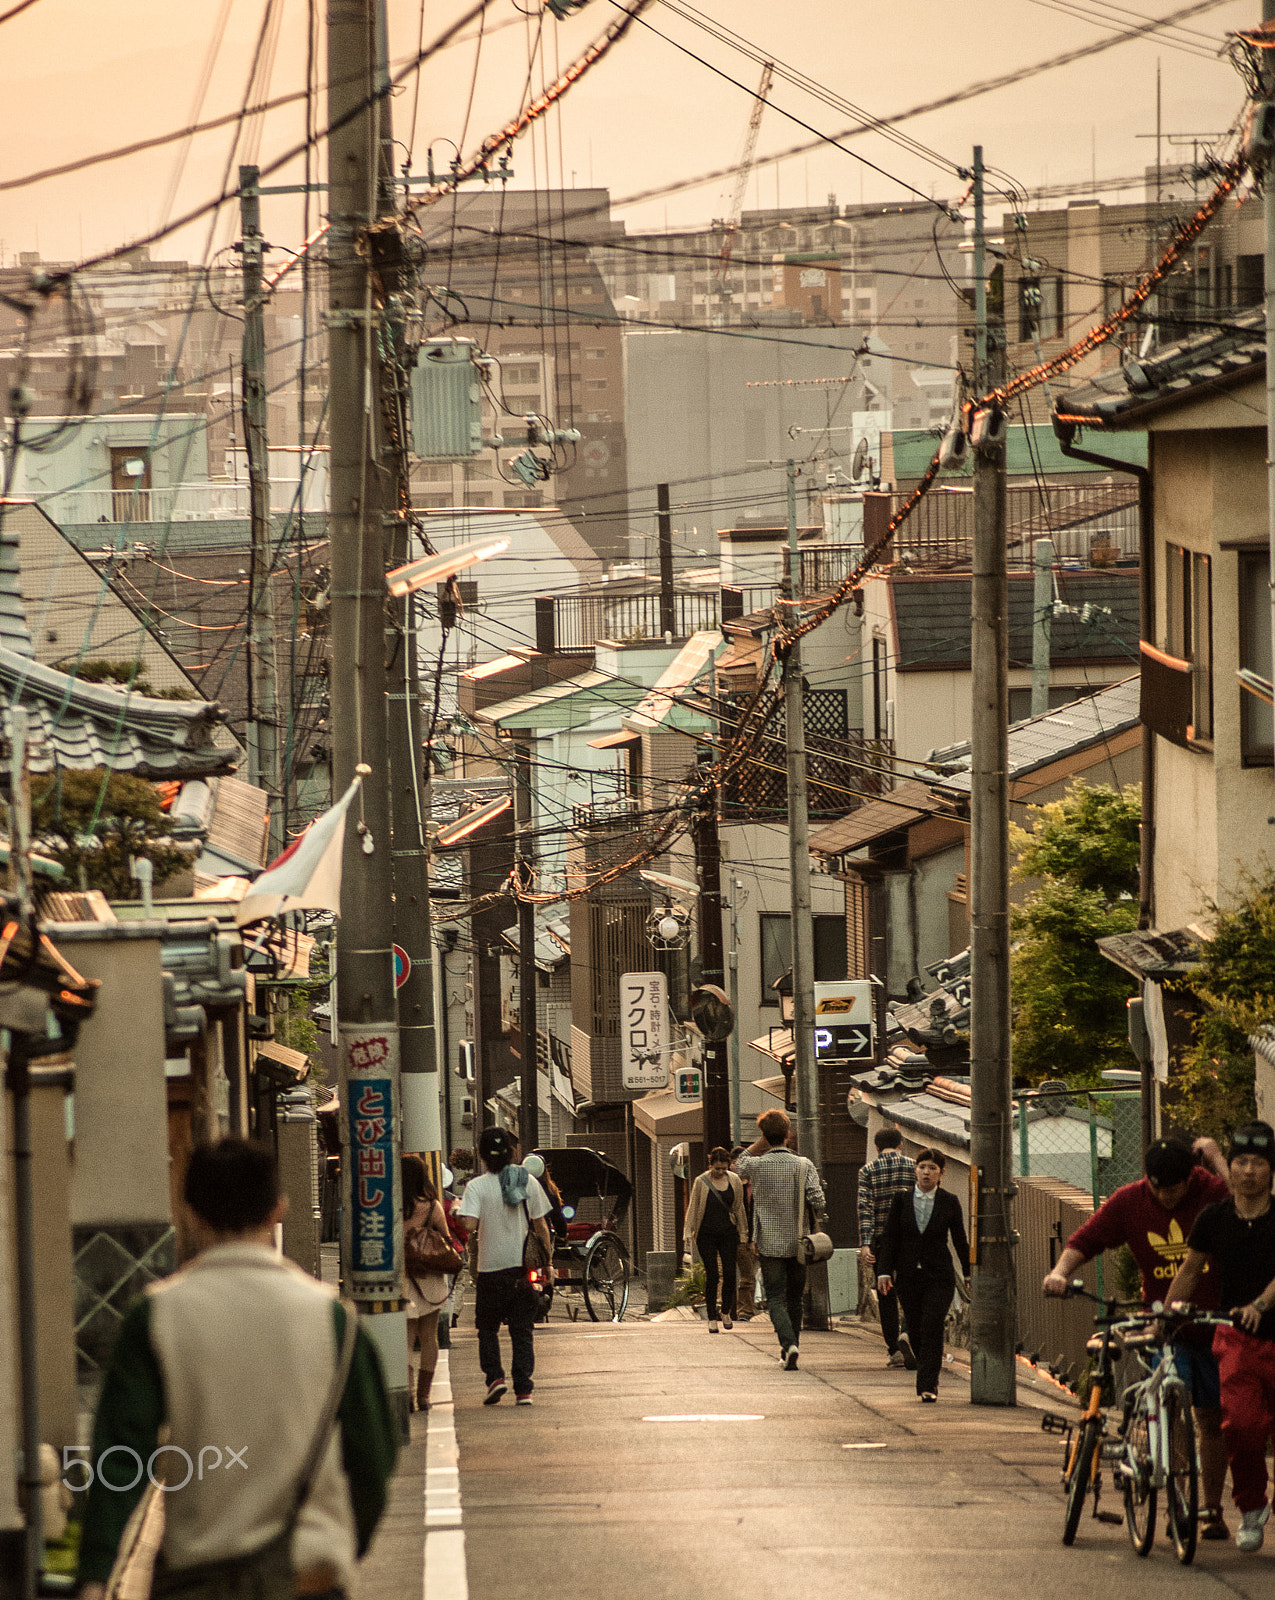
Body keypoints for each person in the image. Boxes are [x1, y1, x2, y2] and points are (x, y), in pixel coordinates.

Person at [77, 1139, 397, 1600]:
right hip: (307, 1574)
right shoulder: (334, 1319)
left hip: (197, 1574)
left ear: (189, 1211)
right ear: (278, 1209)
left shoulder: (157, 1315)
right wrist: (347, 1545)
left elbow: (121, 1455)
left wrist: (95, 1572)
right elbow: (372, 1456)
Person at [1042, 1134, 1231, 1539]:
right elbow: (1086, 1239)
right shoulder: (1130, 1200)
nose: (1164, 1196)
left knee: (1213, 1420)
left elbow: (1250, 1209)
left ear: (1191, 1177)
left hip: (1213, 1322)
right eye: (1156, 1186)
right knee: (1173, 1401)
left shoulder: (1213, 1192)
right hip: (1162, 1324)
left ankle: (1212, 1510)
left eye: (1174, 1187)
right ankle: (1178, 1502)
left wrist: (1217, 1158)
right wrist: (1060, 1272)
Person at [1166, 1121, 1275, 1554]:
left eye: (1259, 1163)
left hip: (1270, 1327)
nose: (1249, 1171)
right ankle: (1251, 1508)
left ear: (1271, 1171)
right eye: (1241, 1162)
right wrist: (1167, 1313)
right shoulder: (1213, 1219)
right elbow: (1190, 1270)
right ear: (1231, 1167)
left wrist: (1261, 1305)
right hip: (1236, 1340)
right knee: (1241, 1427)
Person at [457, 1126, 553, 1406]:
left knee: (488, 1329)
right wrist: (547, 1263)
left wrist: (458, 1212)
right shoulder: (527, 1182)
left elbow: (470, 1225)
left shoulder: (476, 1187)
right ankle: (524, 1389)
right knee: (522, 1330)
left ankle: (495, 1379)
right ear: (511, 1152)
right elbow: (541, 1226)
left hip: (490, 1270)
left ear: (482, 1155)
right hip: (522, 1270)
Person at [875, 1147, 970, 1403]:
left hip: (939, 1274)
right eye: (922, 1167)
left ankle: (928, 1384)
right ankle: (923, 1363)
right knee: (915, 1328)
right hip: (907, 1276)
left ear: (941, 1173)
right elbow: (890, 1238)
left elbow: (960, 1239)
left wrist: (969, 1273)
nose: (926, 1172)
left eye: (932, 1168)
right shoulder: (901, 1200)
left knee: (932, 1325)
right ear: (915, 1170)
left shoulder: (949, 1201)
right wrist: (884, 1270)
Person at [735, 1109, 826, 1370]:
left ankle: (788, 1346)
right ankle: (792, 1346)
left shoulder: (756, 1165)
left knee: (775, 1297)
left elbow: (739, 1162)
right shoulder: (804, 1165)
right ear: (788, 1134)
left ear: (764, 1135)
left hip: (769, 1242)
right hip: (799, 1241)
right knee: (795, 1298)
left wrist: (761, 1141)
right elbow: (818, 1200)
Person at [857, 1128, 917, 1371]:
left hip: (882, 1241)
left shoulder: (868, 1170)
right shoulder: (915, 1167)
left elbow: (865, 1208)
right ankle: (907, 1333)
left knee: (885, 1295)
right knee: (911, 1291)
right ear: (901, 1144)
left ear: (877, 1148)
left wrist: (866, 1243)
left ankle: (894, 1350)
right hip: (910, 1239)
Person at [402, 1154, 452, 1412]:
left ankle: (408, 1395)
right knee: (430, 1337)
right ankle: (424, 1397)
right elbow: (446, 1239)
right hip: (430, 1278)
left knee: (407, 1339)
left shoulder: (393, 1206)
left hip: (403, 1277)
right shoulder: (432, 1206)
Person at [684, 1147, 749, 1331]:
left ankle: (726, 1310)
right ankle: (712, 1316)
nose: (720, 1172)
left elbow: (739, 1208)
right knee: (712, 1274)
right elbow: (693, 1207)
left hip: (728, 1232)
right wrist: (688, 1232)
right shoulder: (701, 1181)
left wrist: (743, 1232)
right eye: (716, 1168)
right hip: (706, 1233)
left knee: (730, 1273)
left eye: (723, 1168)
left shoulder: (734, 1180)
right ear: (710, 1165)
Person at [730, 1146, 757, 1320]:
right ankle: (724, 1309)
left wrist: (753, 1237)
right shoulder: (727, 1184)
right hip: (731, 1234)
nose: (739, 1166)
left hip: (750, 1236)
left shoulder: (755, 1186)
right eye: (735, 1163)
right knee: (724, 1274)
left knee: (748, 1276)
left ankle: (745, 1311)